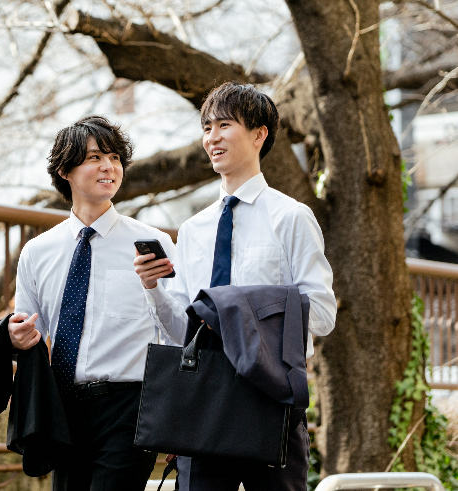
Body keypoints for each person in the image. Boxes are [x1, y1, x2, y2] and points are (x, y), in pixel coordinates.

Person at [134, 82, 337, 491]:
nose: (212, 137)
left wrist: (238, 311)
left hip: (270, 392)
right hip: (204, 394)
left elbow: (321, 312)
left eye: (224, 125)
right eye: (207, 127)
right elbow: (181, 330)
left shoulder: (291, 217)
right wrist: (154, 288)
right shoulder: (193, 229)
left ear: (260, 134)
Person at [10, 115, 174, 491]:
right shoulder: (38, 252)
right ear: (65, 170)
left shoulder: (153, 243)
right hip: (62, 407)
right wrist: (17, 339)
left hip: (128, 405)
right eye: (95, 157)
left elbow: (180, 333)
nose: (108, 167)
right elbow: (29, 332)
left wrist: (155, 288)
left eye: (115, 158)